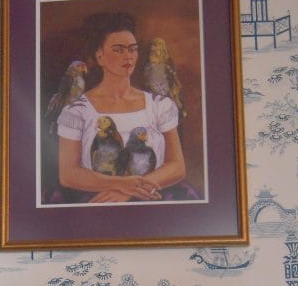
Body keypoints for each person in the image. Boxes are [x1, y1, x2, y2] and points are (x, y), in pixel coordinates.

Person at [50, 12, 199, 205]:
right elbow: (68, 174)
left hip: (153, 195)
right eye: (119, 50)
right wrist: (121, 184)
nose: (128, 56)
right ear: (100, 56)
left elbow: (177, 166)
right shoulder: (76, 111)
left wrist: (130, 190)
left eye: (132, 49)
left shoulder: (159, 105)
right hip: (96, 199)